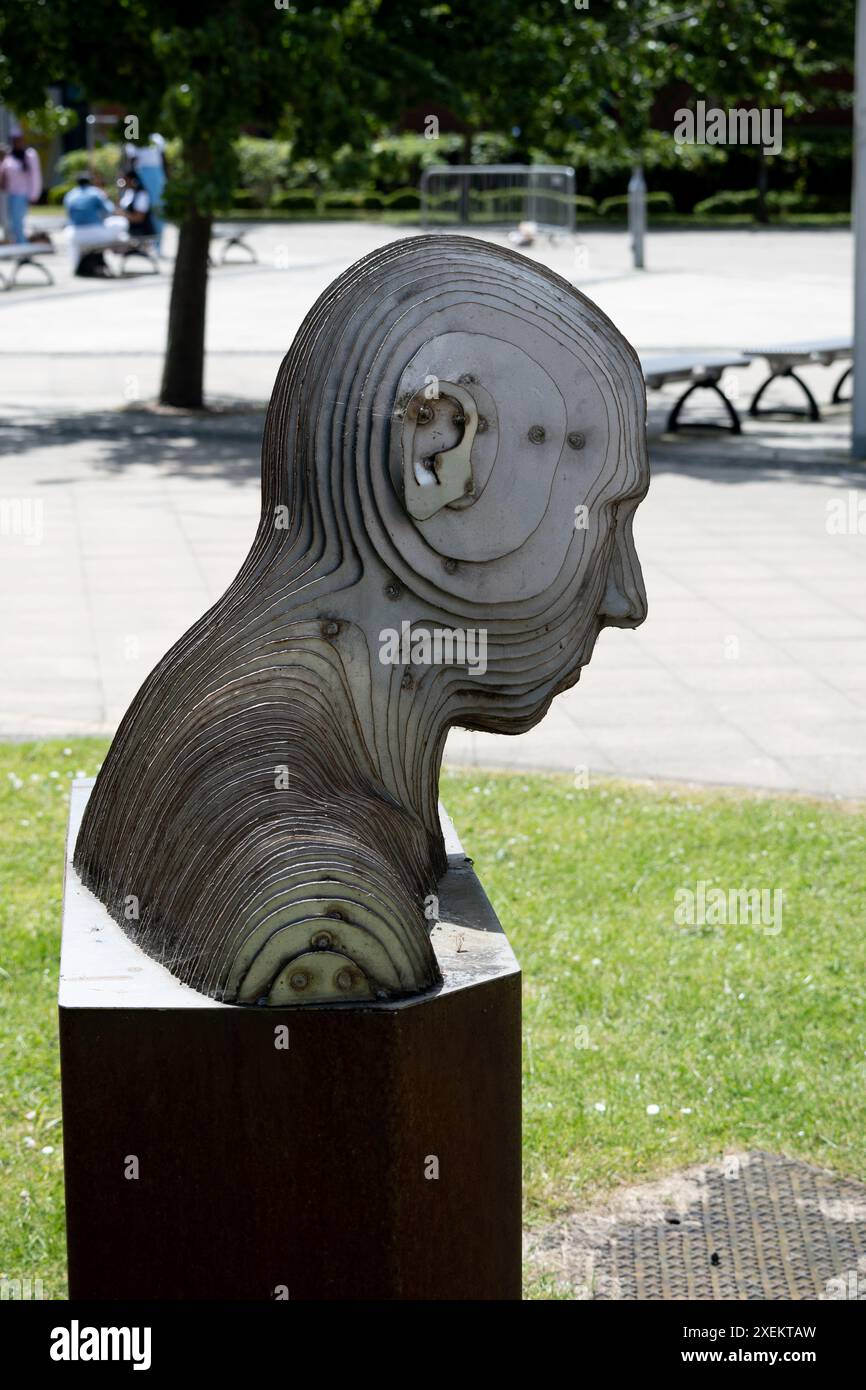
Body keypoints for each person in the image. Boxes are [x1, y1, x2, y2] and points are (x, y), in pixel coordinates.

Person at [62, 172, 125, 277]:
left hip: (74, 234)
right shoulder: (96, 193)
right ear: (89, 182)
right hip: (96, 233)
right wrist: (106, 197)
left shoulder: (70, 195)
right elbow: (109, 210)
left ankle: (76, 266)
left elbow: (69, 215)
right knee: (121, 222)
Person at [124, 133, 167, 251]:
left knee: (158, 210)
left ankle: (157, 244)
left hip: (156, 177)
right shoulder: (134, 138)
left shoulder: (157, 138)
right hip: (141, 176)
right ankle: (143, 244)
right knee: (141, 209)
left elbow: (164, 160)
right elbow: (131, 162)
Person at [0, 129, 42, 244]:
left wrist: (34, 194)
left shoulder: (29, 155)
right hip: (9, 194)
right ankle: (19, 244)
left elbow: (36, 175)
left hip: (22, 194)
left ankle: (22, 246)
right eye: (15, 141)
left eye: (19, 140)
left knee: (17, 223)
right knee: (11, 223)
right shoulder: (9, 157)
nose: (17, 143)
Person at [117, 169, 155, 239]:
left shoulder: (142, 195)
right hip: (130, 232)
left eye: (126, 180)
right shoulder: (129, 193)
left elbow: (139, 218)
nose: (124, 182)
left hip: (141, 235)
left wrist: (123, 214)